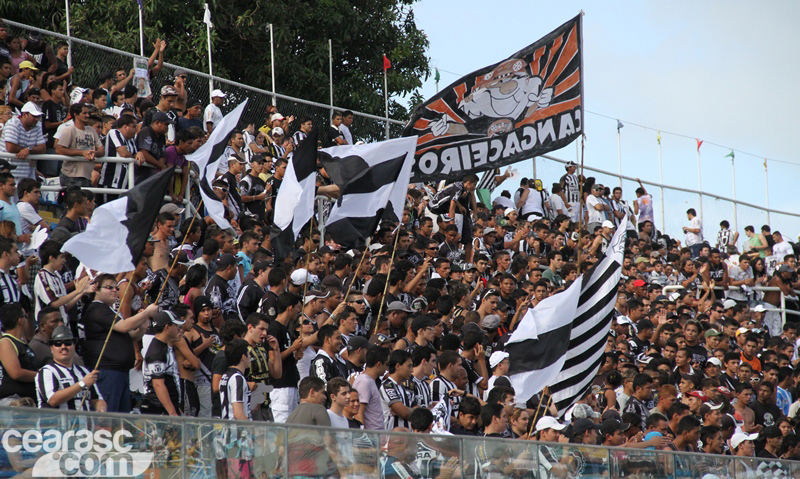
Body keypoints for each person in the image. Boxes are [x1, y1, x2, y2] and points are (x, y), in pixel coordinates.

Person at [82, 274, 159, 412]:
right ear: (97, 289)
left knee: (121, 417)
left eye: (116, 288)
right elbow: (124, 326)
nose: (114, 290)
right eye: (109, 287)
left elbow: (129, 337)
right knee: (109, 416)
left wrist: (142, 327)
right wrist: (146, 312)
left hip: (120, 371)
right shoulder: (97, 308)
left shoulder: (110, 310)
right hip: (107, 370)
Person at [35, 325, 105, 411]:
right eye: (58, 343)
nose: (63, 347)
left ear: (74, 346)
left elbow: (96, 399)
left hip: (83, 420)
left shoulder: (84, 372)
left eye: (67, 343)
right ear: (51, 348)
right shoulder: (47, 371)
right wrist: (82, 384)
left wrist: (101, 409)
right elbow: (53, 400)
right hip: (57, 420)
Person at [140, 311, 185, 416]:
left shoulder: (164, 346)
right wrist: (172, 413)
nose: (179, 329)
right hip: (159, 409)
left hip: (167, 407)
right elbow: (158, 385)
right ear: (167, 328)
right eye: (176, 325)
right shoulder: (157, 352)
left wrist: (176, 409)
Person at [55, 103, 103, 189]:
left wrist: (93, 153)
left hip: (87, 176)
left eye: (88, 113)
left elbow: (101, 150)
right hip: (71, 176)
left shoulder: (91, 130)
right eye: (84, 113)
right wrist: (82, 153)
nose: (87, 115)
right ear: (76, 114)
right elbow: (59, 149)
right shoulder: (69, 130)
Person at [0, 303, 37, 400]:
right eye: (25, 317)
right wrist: (42, 375)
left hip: (28, 398)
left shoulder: (21, 342)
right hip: (14, 400)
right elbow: (16, 373)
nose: (27, 320)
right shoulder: (6, 342)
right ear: (20, 320)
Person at [0, 101, 46, 180]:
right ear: (25, 114)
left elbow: (43, 148)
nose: (36, 119)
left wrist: (28, 149)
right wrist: (27, 150)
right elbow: (10, 147)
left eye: (38, 117)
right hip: (8, 171)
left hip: (26, 171)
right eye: (34, 116)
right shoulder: (12, 123)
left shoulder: (37, 125)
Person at [353, 347, 388, 430]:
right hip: (371, 435)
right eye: (386, 364)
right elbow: (358, 413)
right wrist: (364, 436)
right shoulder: (365, 382)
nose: (387, 368)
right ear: (378, 364)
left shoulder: (369, 381)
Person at [380, 349, 414, 430]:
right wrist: (406, 410)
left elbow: (417, 411)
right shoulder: (387, 386)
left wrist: (407, 410)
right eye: (409, 366)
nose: (412, 370)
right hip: (392, 436)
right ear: (398, 366)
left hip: (407, 435)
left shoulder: (405, 387)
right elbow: (404, 413)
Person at [219, 338, 252, 421]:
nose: (250, 357)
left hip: (227, 425)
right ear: (243, 357)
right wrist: (252, 427)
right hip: (236, 428)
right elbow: (238, 414)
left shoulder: (225, 375)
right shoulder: (237, 378)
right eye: (249, 354)